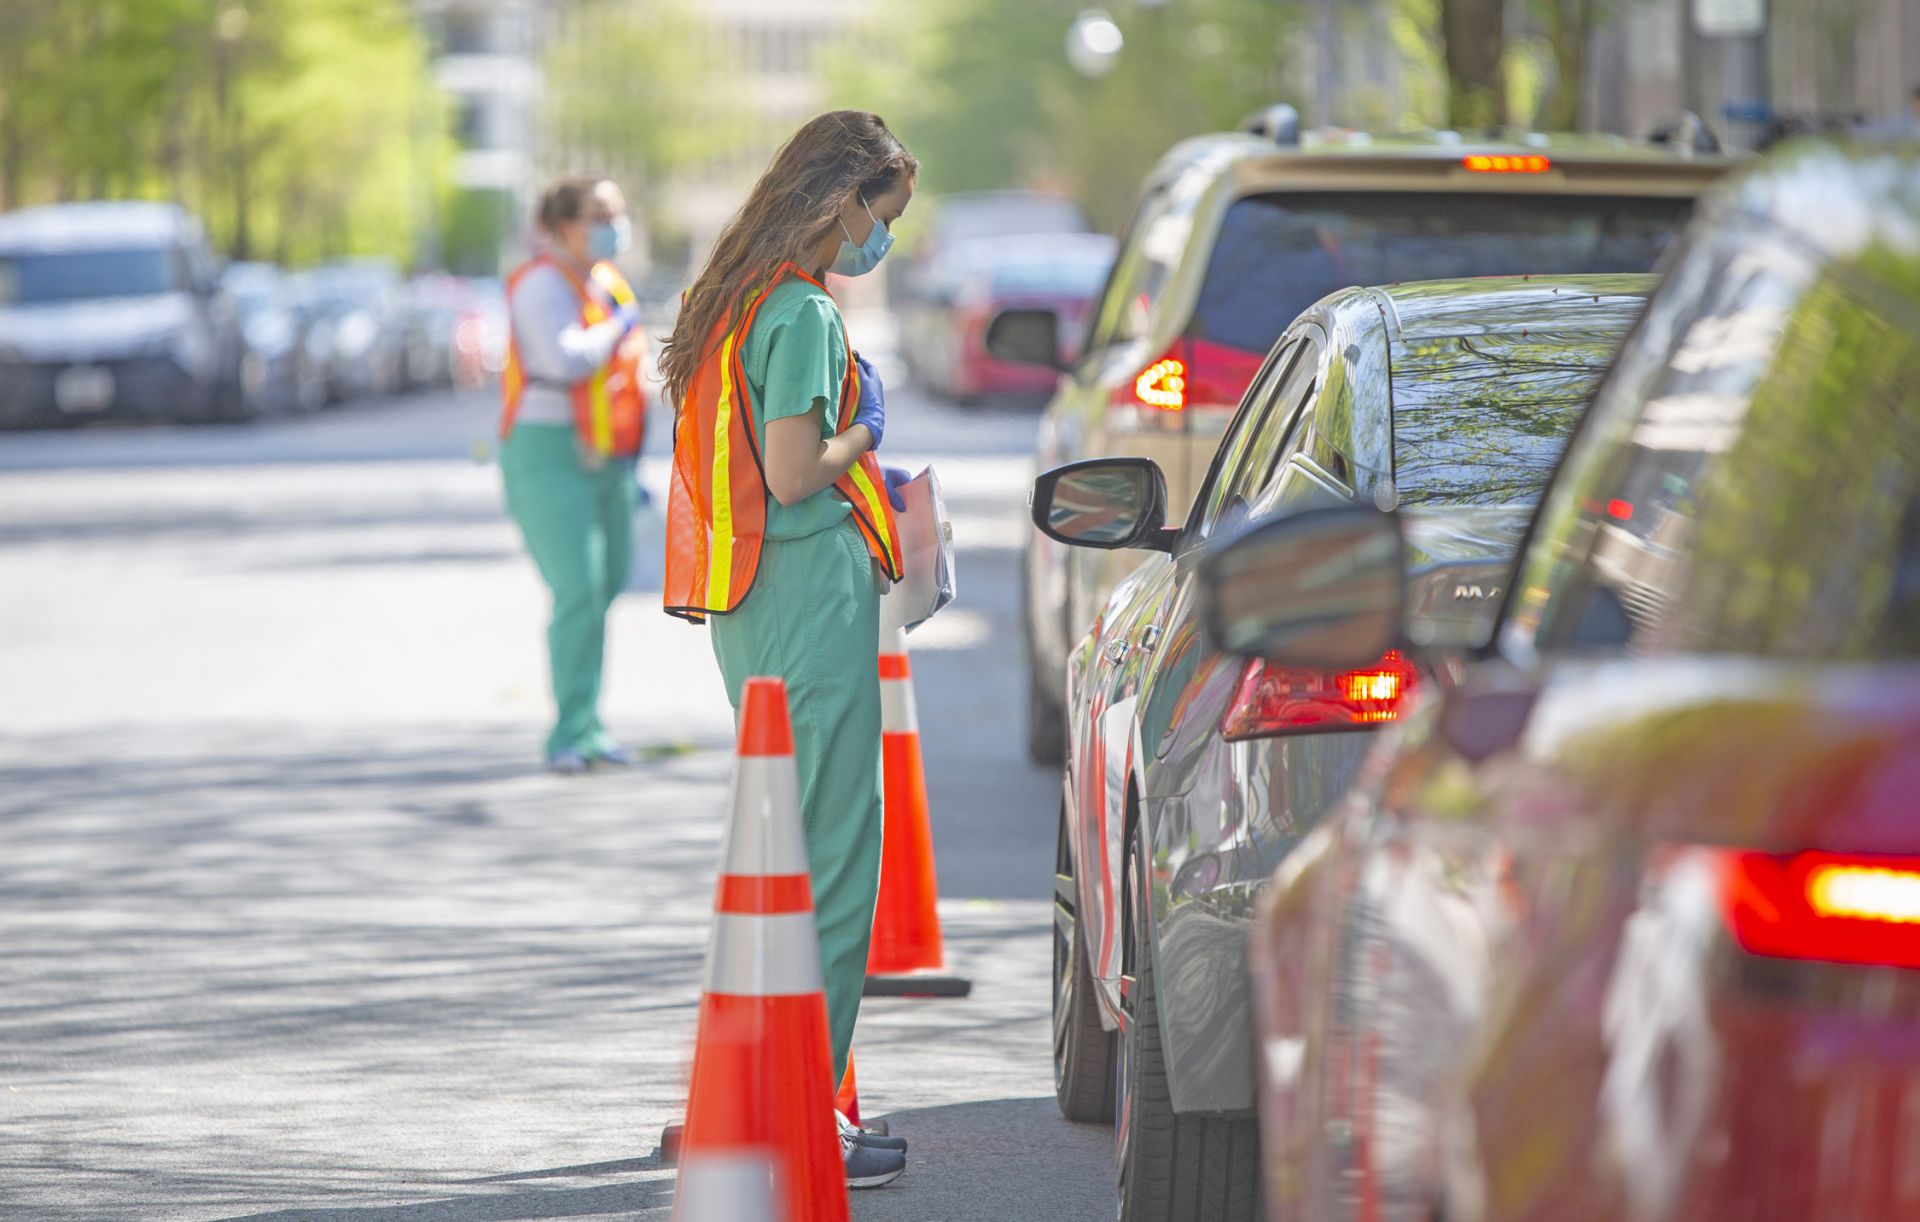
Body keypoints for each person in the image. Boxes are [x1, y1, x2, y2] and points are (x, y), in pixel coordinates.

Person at [658, 110, 916, 1188]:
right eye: (882, 217)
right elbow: (799, 469)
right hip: (810, 595)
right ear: (840, 201)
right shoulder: (804, 313)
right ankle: (808, 1104)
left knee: (778, 853)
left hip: (754, 599)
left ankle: (763, 1085)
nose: (881, 242)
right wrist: (870, 431)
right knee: (834, 853)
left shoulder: (738, 295)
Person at [500, 177, 649, 774]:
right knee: (578, 591)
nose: (613, 224)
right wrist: (619, 327)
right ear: (563, 225)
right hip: (548, 450)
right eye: (598, 214)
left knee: (608, 584)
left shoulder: (607, 281)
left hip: (608, 454)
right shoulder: (542, 282)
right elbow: (561, 359)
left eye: (616, 212)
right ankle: (568, 731)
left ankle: (590, 726)